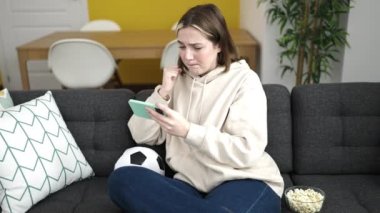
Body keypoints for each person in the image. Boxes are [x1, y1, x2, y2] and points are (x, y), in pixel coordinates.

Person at [108, 3, 284, 213]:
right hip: (189, 185)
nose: (187, 56)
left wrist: (189, 131)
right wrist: (163, 92)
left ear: (219, 45)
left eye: (197, 47)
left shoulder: (245, 81)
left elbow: (247, 151)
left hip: (243, 179)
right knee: (123, 179)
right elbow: (142, 136)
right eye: (182, 46)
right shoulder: (177, 82)